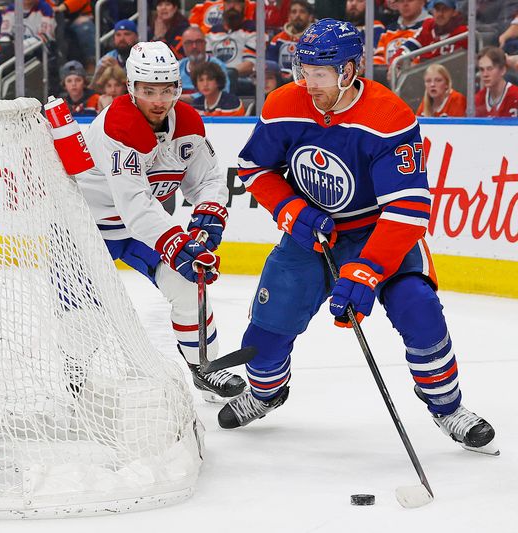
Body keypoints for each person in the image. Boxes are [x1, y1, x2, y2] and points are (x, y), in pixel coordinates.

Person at [225, 19, 498, 457]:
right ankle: (266, 392)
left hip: (378, 230)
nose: (307, 83)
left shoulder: (388, 117)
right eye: (302, 70)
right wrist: (292, 209)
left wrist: (368, 269)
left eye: (320, 74)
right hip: (311, 234)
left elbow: (408, 209)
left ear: (349, 70)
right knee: (266, 334)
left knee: (419, 308)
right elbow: (255, 168)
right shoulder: (284, 104)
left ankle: (449, 409)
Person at [75, 41, 246, 401]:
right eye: (148, 90)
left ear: (177, 88)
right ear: (131, 89)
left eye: (166, 89)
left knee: (188, 284)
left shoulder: (187, 122)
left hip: (140, 231)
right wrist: (177, 242)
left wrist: (207, 219)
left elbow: (208, 180)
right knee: (82, 319)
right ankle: (72, 384)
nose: (158, 99)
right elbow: (134, 204)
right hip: (85, 231)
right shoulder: (117, 127)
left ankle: (206, 368)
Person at [205, 0, 263, 95]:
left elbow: (250, 65)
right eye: (229, 2)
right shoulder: (212, 32)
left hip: (243, 80)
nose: (232, 6)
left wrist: (227, 74)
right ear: (223, 5)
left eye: (236, 2)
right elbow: (208, 62)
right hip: (215, 81)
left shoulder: (254, 29)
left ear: (244, 6)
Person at [392, 0, 467, 66]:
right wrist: (396, 63)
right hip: (422, 75)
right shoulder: (428, 25)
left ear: (454, 12)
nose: (440, 14)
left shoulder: (463, 33)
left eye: (445, 10)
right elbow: (408, 47)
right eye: (437, 10)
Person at [178, 25, 231, 102]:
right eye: (189, 43)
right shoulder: (177, 67)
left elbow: (223, 93)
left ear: (205, 43)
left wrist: (191, 98)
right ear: (183, 46)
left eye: (198, 42)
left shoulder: (218, 66)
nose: (194, 46)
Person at [374, 0, 429, 66]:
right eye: (401, 1)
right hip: (387, 74)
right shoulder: (389, 29)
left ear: (422, 2)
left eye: (410, 0)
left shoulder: (430, 27)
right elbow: (378, 59)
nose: (405, 4)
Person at [267, 0, 313, 77]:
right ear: (289, 16)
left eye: (302, 12)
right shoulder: (278, 39)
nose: (297, 15)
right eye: (294, 12)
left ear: (310, 17)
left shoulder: (316, 39)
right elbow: (270, 65)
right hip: (280, 82)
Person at [475, 46, 518, 117]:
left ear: (503, 70)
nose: (485, 74)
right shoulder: (478, 99)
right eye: (482, 69)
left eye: (490, 69)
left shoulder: (516, 96)